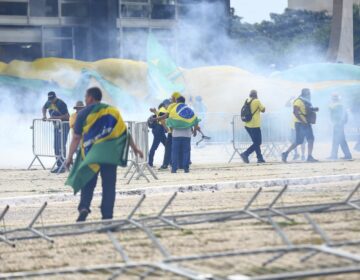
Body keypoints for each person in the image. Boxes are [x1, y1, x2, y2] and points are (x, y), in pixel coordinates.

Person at [65, 87, 143, 222]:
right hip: (109, 155)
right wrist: (135, 148)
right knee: (108, 186)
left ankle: (84, 206)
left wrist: (69, 156)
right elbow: (123, 131)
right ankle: (107, 216)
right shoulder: (112, 111)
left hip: (91, 155)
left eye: (85, 97)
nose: (85, 99)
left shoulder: (82, 114)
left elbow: (76, 137)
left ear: (90, 98)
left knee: (88, 182)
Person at [282, 88, 319, 163]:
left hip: (306, 122)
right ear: (304, 94)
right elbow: (295, 112)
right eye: (308, 93)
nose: (309, 94)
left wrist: (314, 110)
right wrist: (303, 121)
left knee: (311, 139)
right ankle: (285, 153)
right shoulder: (298, 101)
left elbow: (307, 110)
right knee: (299, 141)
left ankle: (309, 156)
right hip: (300, 123)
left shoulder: (307, 101)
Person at [166, 96, 200, 173]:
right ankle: (186, 168)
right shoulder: (189, 110)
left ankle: (174, 169)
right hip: (187, 135)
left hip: (176, 135)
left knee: (175, 152)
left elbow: (169, 121)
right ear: (184, 101)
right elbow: (195, 120)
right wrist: (194, 131)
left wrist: (171, 131)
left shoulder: (174, 110)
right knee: (186, 152)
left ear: (177, 101)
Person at [42, 91, 70, 173]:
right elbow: (44, 107)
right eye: (50, 99)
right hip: (57, 127)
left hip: (64, 126)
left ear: (55, 97)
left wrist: (55, 117)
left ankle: (63, 166)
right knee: (56, 146)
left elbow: (67, 116)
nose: (51, 101)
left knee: (61, 145)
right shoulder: (48, 102)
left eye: (52, 99)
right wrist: (44, 116)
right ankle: (59, 165)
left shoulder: (61, 103)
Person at [240, 90, 266, 164]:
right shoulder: (257, 101)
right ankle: (245, 154)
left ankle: (260, 157)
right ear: (256, 95)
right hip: (255, 125)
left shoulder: (247, 100)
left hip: (247, 124)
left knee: (256, 142)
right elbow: (263, 109)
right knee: (258, 142)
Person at [328, 94, 352, 160]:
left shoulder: (337, 105)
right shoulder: (339, 105)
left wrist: (339, 122)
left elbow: (338, 114)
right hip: (338, 124)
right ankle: (347, 155)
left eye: (334, 98)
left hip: (338, 124)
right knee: (341, 140)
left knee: (336, 140)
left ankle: (334, 155)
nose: (333, 99)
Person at [148, 100, 169, 167]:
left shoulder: (160, 110)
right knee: (155, 146)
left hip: (157, 129)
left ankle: (150, 163)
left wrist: (154, 111)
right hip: (159, 130)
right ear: (165, 105)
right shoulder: (163, 110)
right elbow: (162, 119)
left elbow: (159, 116)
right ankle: (150, 163)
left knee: (167, 145)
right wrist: (166, 129)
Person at [286, 96, 306, 161]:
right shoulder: (295, 102)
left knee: (302, 141)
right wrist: (290, 99)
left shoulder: (302, 103)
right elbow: (286, 105)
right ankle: (296, 154)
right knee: (295, 141)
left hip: (300, 124)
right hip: (294, 125)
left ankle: (302, 155)